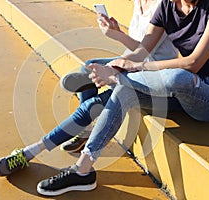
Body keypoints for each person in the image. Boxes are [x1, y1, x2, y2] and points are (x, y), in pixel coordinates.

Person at [0, 0, 209, 197]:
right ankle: (79, 168)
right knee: (122, 89)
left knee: (177, 77)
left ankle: (112, 86)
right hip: (172, 92)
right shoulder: (167, 6)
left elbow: (193, 64)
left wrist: (125, 69)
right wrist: (122, 65)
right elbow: (143, 49)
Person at [59, 0, 178, 152]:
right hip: (131, 59)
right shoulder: (139, 2)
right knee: (89, 65)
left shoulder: (163, 6)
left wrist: (116, 36)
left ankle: (94, 117)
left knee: (107, 84)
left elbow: (146, 52)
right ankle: (87, 129)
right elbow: (138, 45)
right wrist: (118, 32)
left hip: (153, 67)